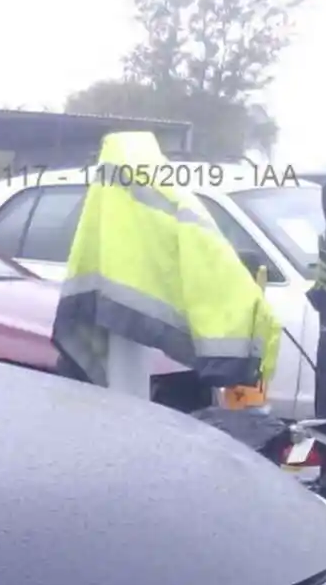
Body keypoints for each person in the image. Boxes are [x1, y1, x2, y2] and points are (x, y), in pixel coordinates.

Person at [52, 131, 281, 403]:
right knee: (128, 404)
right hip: (131, 321)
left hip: (117, 317)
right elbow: (208, 255)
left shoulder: (109, 200)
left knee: (121, 399)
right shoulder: (168, 200)